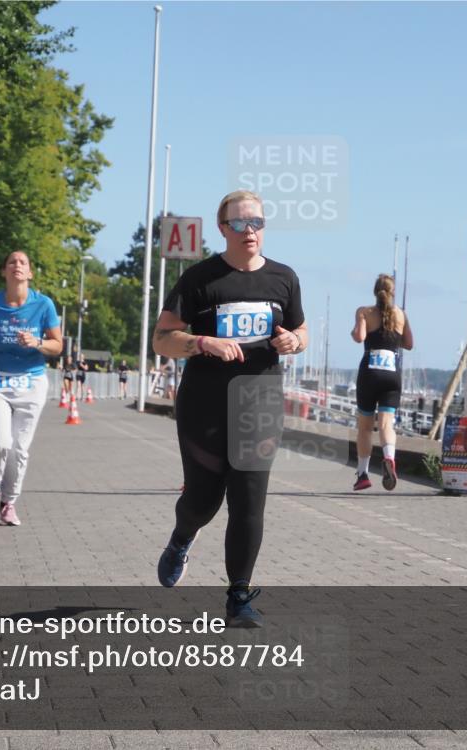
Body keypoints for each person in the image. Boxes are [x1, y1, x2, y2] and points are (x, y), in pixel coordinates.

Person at [152, 190, 307, 628]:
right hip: (204, 407)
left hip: (259, 406)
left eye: (257, 221)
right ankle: (183, 536)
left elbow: (301, 329)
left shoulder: (284, 278)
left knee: (248, 502)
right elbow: (162, 338)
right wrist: (203, 342)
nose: (250, 230)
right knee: (204, 501)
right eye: (240, 223)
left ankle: (239, 596)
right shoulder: (200, 279)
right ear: (223, 229)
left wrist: (294, 341)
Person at [0, 250, 62, 526]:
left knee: (19, 449)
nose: (17, 265)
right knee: (0, 442)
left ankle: (9, 501)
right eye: (11, 261)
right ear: (4, 271)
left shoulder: (43, 304)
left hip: (31, 381)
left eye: (23, 262)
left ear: (30, 273)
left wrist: (37, 343)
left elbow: (57, 345)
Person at [351, 274, 414, 491]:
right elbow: (409, 344)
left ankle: (363, 474)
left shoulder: (364, 312)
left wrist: (358, 325)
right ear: (392, 292)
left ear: (375, 291)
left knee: (365, 427)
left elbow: (359, 337)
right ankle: (389, 458)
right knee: (387, 423)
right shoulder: (401, 314)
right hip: (391, 374)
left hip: (369, 373)